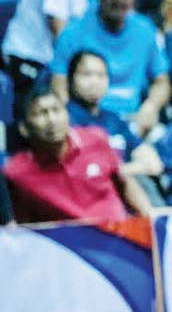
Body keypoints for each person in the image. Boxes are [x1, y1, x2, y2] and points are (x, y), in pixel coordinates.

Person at [50, 0, 171, 135]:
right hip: (88, 123)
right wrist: (76, 125)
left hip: (134, 120)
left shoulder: (145, 29)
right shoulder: (73, 33)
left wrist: (151, 107)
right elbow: (59, 87)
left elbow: (162, 82)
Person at [4, 87, 152, 223]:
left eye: (56, 110)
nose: (52, 119)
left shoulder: (96, 139)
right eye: (41, 113)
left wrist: (149, 218)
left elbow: (124, 183)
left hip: (118, 236)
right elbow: (23, 225)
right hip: (66, 248)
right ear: (24, 128)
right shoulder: (16, 173)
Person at [65, 50, 164, 180]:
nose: (94, 81)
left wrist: (118, 171)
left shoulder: (114, 120)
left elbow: (154, 164)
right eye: (86, 74)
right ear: (71, 79)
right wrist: (129, 168)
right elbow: (86, 170)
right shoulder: (64, 119)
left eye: (101, 75)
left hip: (124, 187)